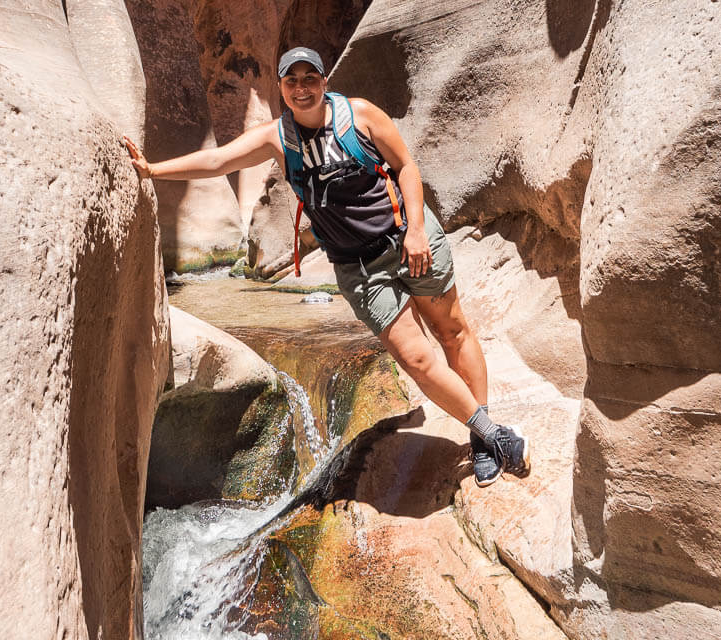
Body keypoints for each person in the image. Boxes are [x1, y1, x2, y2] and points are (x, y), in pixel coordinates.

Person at [123, 47, 530, 486]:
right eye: (291, 80)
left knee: (451, 332)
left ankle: (483, 437)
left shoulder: (359, 115)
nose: (302, 87)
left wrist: (414, 230)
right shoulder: (277, 138)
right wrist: (152, 170)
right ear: (280, 88)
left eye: (309, 77)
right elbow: (219, 159)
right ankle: (494, 435)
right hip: (359, 268)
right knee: (415, 357)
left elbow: (406, 167)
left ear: (323, 81)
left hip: (406, 238)